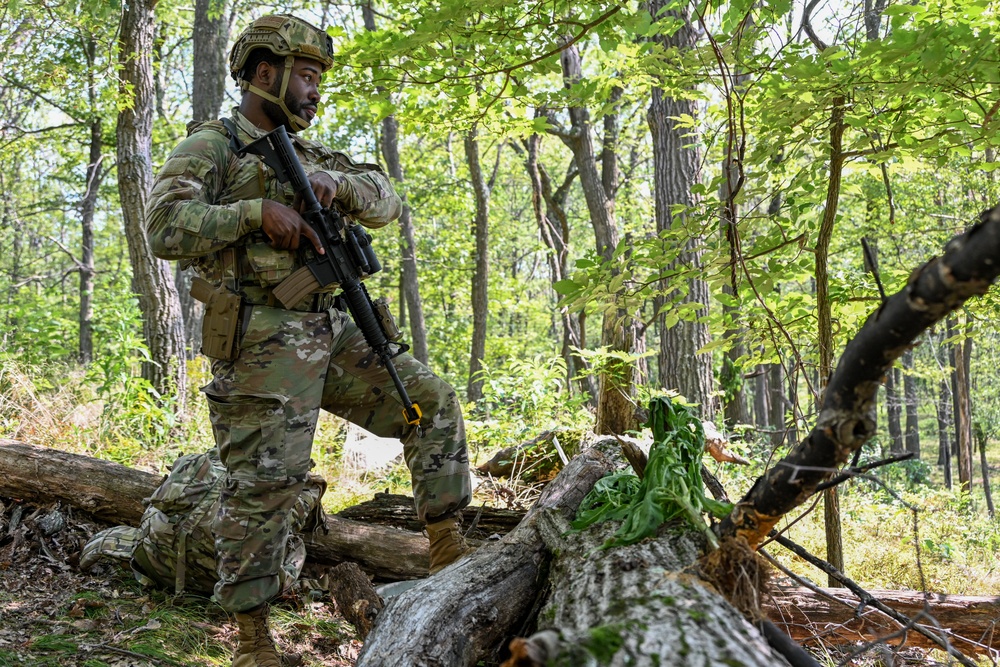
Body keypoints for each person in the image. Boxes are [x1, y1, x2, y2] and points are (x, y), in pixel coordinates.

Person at [145, 14, 472, 667]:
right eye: (306, 75)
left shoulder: (314, 153)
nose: (315, 90)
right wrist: (252, 213)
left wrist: (339, 186)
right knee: (266, 484)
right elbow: (164, 226)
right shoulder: (213, 146)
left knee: (429, 402)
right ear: (265, 72)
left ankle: (449, 563)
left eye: (320, 77)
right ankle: (251, 641)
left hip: (332, 328)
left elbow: (386, 198)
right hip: (260, 338)